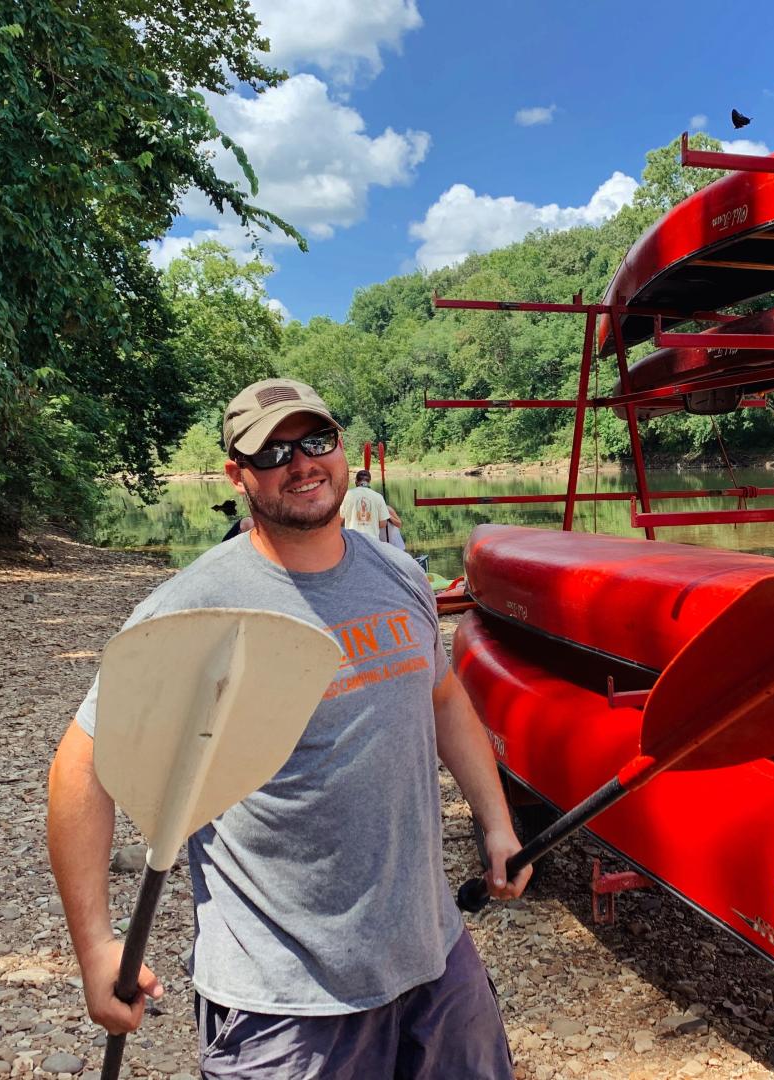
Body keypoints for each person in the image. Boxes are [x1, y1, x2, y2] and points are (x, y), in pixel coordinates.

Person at [47, 377, 528, 1079]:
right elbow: (82, 762)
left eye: (315, 440)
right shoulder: (199, 605)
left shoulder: (399, 575)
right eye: (272, 453)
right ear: (236, 475)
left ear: (342, 448)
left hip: (434, 958)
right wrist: (95, 947)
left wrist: (497, 822)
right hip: (284, 998)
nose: (301, 463)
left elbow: (444, 697)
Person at [341, 468, 401, 542]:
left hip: (352, 540)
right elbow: (383, 524)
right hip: (372, 541)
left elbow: (340, 520)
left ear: (356, 481)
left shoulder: (347, 495)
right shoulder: (378, 497)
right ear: (369, 481)